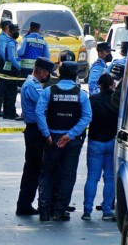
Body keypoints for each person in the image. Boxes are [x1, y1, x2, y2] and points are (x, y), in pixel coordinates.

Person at [36, 61, 92, 221]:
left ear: (59, 74)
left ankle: (44, 211)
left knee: (47, 174)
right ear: (75, 75)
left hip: (52, 139)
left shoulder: (49, 91)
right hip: (71, 142)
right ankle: (59, 211)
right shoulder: (81, 95)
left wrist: (46, 134)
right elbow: (87, 116)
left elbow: (39, 112)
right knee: (67, 176)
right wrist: (71, 135)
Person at [15, 56, 56, 216]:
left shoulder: (34, 85)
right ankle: (24, 204)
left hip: (35, 131)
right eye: (48, 73)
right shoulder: (33, 86)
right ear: (43, 72)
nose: (49, 76)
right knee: (33, 169)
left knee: (34, 168)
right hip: (35, 131)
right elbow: (45, 106)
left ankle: (26, 203)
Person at [82, 73, 117, 222]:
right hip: (112, 142)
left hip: (95, 142)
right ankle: (107, 210)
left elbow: (86, 118)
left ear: (99, 85)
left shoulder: (93, 100)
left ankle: (87, 211)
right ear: (112, 85)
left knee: (92, 177)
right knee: (110, 178)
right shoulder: (117, 101)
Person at [0, 22, 22, 119]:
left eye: (18, 30)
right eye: (15, 30)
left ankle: (8, 113)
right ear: (10, 31)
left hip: (9, 69)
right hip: (11, 70)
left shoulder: (12, 42)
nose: (17, 32)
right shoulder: (11, 43)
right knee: (11, 92)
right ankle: (10, 112)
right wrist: (19, 68)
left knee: (9, 92)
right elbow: (12, 58)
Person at [0, 19, 13, 117]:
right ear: (7, 27)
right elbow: (1, 51)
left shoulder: (4, 37)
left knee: (3, 85)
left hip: (2, 63)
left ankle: (0, 109)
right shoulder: (2, 38)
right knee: (2, 86)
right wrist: (6, 62)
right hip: (2, 63)